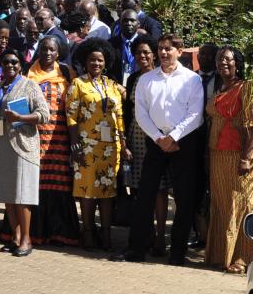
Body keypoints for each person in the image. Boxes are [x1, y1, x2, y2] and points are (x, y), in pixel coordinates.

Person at [114, 33, 204, 265]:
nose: (164, 53)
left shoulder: (192, 80)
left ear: (179, 52)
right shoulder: (146, 80)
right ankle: (137, 249)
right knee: (144, 197)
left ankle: (177, 253)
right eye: (161, 48)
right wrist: (158, 138)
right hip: (154, 142)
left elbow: (195, 114)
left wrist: (173, 136)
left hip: (183, 143)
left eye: (169, 49)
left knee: (184, 199)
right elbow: (140, 113)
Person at [204, 46, 253, 273]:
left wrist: (246, 159)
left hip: (239, 155)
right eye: (220, 59)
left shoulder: (246, 88)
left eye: (228, 60)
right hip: (218, 154)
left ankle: (246, 257)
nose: (224, 63)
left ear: (237, 63)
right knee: (222, 203)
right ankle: (223, 255)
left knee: (243, 203)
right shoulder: (219, 88)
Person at [0, 48, 50, 257]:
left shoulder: (29, 85)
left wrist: (20, 118)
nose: (10, 66)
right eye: (5, 62)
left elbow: (44, 114)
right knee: (8, 193)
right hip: (2, 145)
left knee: (23, 194)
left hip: (23, 145)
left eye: (14, 62)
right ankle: (15, 237)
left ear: (20, 65)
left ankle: (27, 239)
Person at [67, 39, 125, 251]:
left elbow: (119, 116)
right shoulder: (78, 84)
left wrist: (124, 142)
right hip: (87, 145)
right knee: (87, 190)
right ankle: (88, 232)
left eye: (100, 60)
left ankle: (107, 233)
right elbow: (71, 116)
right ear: (85, 61)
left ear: (106, 62)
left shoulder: (112, 85)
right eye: (92, 60)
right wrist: (75, 146)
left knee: (108, 191)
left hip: (111, 147)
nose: (96, 64)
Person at [25, 37, 80, 246]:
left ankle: (60, 232)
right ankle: (35, 232)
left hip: (60, 137)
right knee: (36, 183)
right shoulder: (28, 72)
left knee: (60, 185)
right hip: (34, 137)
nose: (47, 53)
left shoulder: (66, 73)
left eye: (52, 50)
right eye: (44, 49)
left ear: (58, 53)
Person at [122, 34, 170, 255]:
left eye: (146, 52)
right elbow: (127, 113)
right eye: (138, 53)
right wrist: (124, 141)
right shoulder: (132, 79)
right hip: (136, 137)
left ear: (154, 54)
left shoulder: (161, 76)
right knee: (139, 189)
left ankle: (160, 236)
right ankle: (145, 234)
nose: (142, 56)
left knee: (159, 189)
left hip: (157, 138)